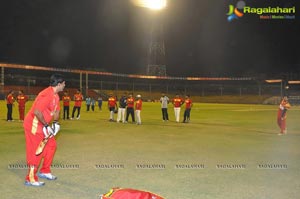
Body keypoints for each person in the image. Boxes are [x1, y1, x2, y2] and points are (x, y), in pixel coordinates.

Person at [23, 74, 65, 186]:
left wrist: (55, 123)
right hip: (34, 125)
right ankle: (30, 178)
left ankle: (45, 170)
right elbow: (37, 111)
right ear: (59, 84)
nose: (65, 85)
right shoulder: (46, 94)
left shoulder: (56, 96)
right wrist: (46, 125)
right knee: (36, 151)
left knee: (51, 145)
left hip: (42, 125)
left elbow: (56, 111)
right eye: (64, 83)